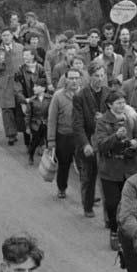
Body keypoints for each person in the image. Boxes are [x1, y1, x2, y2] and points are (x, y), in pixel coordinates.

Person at [93, 90, 137, 250]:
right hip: (110, 170)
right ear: (110, 105)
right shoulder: (102, 122)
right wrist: (115, 137)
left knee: (130, 204)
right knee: (113, 204)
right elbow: (100, 145)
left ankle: (128, 233)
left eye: (123, 102)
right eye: (118, 103)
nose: (122, 105)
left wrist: (136, 143)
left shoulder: (130, 119)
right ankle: (115, 232)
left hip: (130, 168)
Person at [72, 63, 110, 218]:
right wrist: (85, 144)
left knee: (107, 180)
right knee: (88, 177)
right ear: (90, 76)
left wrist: (105, 118)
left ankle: (109, 216)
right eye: (96, 75)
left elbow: (117, 115)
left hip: (105, 140)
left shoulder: (108, 93)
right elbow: (77, 124)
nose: (99, 79)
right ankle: (87, 206)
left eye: (102, 75)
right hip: (87, 140)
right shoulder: (80, 96)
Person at [47, 68, 80, 199]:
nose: (74, 81)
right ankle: (62, 188)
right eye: (71, 78)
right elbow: (52, 119)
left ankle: (88, 194)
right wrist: (51, 140)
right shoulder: (58, 96)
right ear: (65, 80)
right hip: (64, 136)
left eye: (77, 78)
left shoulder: (83, 94)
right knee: (64, 164)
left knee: (85, 166)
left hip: (79, 136)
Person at [0, 30, 25, 146]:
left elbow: (27, 61)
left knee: (19, 108)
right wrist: (2, 62)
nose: (6, 37)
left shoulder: (20, 48)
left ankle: (23, 131)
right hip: (4, 84)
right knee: (6, 109)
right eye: (3, 35)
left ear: (12, 36)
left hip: (18, 83)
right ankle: (11, 135)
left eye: (8, 35)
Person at [25, 78, 50, 166]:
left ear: (43, 88)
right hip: (35, 124)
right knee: (35, 142)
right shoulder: (32, 100)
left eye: (36, 86)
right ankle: (31, 156)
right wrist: (27, 127)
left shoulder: (50, 99)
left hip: (47, 124)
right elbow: (28, 115)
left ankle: (48, 161)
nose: (34, 88)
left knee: (49, 142)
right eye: (34, 86)